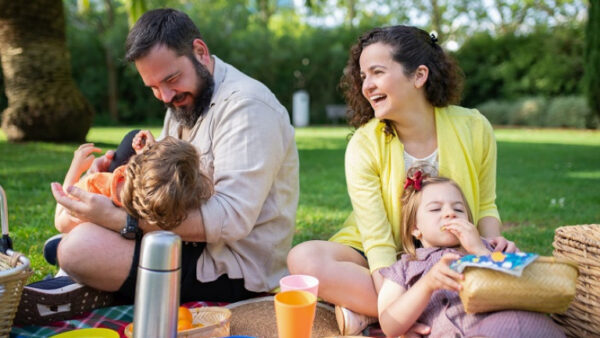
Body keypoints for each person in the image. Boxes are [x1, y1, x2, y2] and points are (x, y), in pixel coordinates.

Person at [22, 8, 299, 324]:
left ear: (199, 52)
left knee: (76, 249)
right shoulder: (183, 99)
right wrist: (120, 172)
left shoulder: (248, 107)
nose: (165, 96)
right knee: (128, 144)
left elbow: (230, 220)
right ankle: (95, 265)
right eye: (153, 87)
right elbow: (167, 186)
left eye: (171, 79)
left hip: (229, 266)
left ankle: (87, 266)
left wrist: (119, 220)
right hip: (184, 236)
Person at [287, 25, 516, 335]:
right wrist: (393, 313)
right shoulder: (364, 144)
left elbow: (486, 205)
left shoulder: (475, 128)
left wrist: (491, 252)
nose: (367, 86)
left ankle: (372, 313)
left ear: (419, 76)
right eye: (363, 76)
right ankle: (417, 308)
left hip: (451, 250)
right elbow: (379, 244)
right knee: (304, 259)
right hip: (383, 255)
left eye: (377, 72)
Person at [377, 166, 565, 337]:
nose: (450, 213)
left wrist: (479, 250)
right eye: (435, 209)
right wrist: (427, 285)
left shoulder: (491, 248)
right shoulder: (404, 267)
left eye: (458, 209)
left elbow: (529, 289)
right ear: (414, 228)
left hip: (520, 324)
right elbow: (389, 326)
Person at [54, 133, 213, 233]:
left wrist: (76, 168)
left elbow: (60, 221)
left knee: (55, 247)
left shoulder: (96, 185)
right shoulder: (151, 205)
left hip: (76, 240)